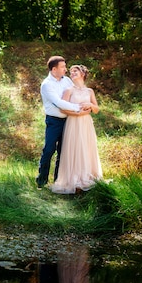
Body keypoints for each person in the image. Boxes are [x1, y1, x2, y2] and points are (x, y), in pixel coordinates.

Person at [36, 56, 89, 189]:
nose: (66, 70)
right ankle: (41, 181)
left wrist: (85, 104)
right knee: (49, 150)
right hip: (54, 121)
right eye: (63, 67)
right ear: (54, 69)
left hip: (68, 120)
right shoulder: (47, 84)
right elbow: (59, 102)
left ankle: (58, 181)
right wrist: (78, 108)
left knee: (63, 151)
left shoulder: (67, 81)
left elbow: (75, 94)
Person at [50, 64, 102, 194]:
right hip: (73, 122)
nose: (72, 73)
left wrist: (90, 104)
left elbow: (96, 110)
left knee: (86, 148)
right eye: (71, 71)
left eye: (75, 71)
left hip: (86, 124)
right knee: (75, 148)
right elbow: (63, 108)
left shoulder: (90, 91)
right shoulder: (69, 90)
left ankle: (86, 176)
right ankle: (74, 180)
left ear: (83, 74)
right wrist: (78, 113)